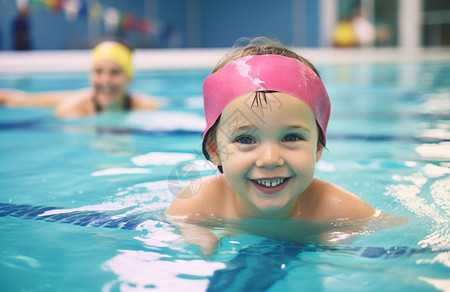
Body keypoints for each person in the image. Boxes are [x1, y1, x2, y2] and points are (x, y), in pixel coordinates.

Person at [165, 38, 376, 253]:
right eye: (246, 140)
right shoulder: (198, 203)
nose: (270, 159)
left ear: (318, 147)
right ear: (215, 150)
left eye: (291, 137)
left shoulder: (341, 212)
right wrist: (200, 239)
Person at [0, 39, 158, 118]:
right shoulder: (73, 108)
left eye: (115, 72)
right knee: (20, 101)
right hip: (78, 100)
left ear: (129, 78)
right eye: (98, 71)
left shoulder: (146, 106)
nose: (105, 80)